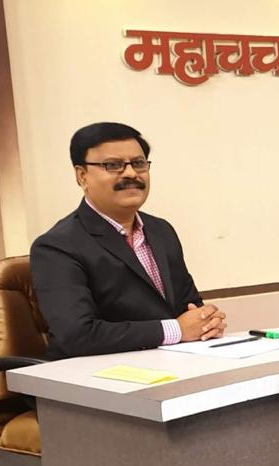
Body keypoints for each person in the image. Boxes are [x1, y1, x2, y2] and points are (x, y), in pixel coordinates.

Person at [31, 122, 225, 360]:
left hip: (168, 363)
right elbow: (77, 335)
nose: (131, 173)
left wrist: (207, 322)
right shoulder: (57, 246)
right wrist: (176, 330)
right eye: (113, 165)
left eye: (139, 163)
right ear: (82, 176)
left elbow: (190, 306)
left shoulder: (161, 231)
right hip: (96, 374)